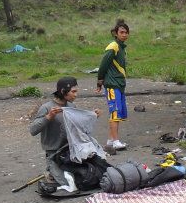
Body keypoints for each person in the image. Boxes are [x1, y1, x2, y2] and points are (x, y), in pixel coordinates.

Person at [29, 77, 100, 192]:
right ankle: (50, 170)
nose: (76, 95)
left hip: (71, 150)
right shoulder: (46, 108)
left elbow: (79, 128)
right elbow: (33, 130)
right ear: (63, 91)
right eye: (73, 91)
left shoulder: (71, 107)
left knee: (92, 176)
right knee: (70, 183)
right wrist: (48, 117)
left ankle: (60, 170)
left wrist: (92, 116)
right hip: (54, 153)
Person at [96, 19, 129, 152]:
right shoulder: (113, 46)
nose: (124, 34)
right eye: (121, 32)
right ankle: (115, 141)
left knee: (118, 113)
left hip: (120, 84)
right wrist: (99, 81)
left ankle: (110, 140)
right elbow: (103, 65)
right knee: (114, 112)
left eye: (126, 32)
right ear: (116, 33)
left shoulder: (122, 48)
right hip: (112, 85)